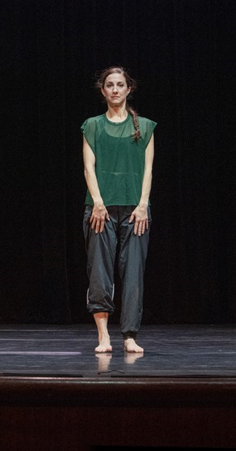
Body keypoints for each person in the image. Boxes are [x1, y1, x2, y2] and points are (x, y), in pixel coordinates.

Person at [81, 67, 155, 354]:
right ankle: (103, 335)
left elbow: (149, 168)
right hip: (100, 208)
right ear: (103, 90)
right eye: (109, 85)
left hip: (136, 210)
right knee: (99, 272)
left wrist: (143, 205)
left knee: (133, 272)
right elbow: (88, 166)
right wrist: (97, 202)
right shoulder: (92, 125)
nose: (114, 89)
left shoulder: (145, 126)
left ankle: (129, 335)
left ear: (128, 89)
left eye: (120, 85)